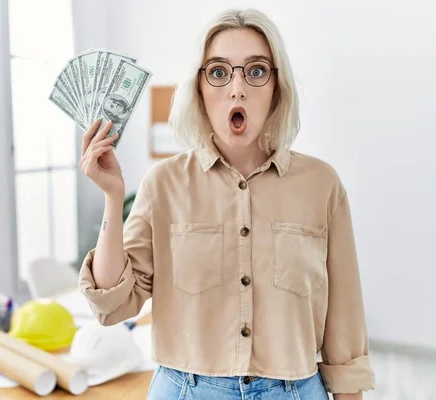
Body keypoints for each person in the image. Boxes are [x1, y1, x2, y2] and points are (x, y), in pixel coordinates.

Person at [77, 8, 375, 400]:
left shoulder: (322, 185)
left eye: (255, 71)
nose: (237, 89)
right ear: (198, 89)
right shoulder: (163, 184)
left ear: (276, 88)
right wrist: (113, 198)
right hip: (185, 389)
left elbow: (345, 318)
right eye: (218, 72)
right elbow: (113, 305)